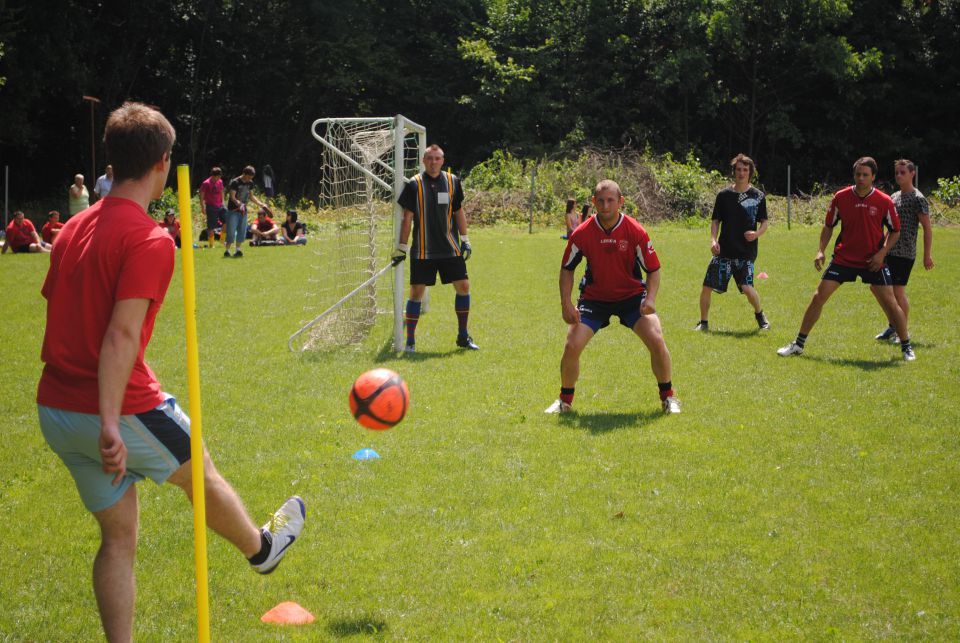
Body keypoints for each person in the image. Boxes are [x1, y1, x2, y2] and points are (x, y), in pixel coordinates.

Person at [35, 102, 305, 642]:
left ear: (112, 161)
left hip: (56, 410)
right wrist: (111, 421)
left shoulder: (71, 229)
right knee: (198, 470)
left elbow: (71, 314)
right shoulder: (150, 238)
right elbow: (119, 335)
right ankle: (262, 550)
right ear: (163, 164)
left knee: (118, 539)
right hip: (114, 410)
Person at [545, 179, 680, 414]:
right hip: (594, 300)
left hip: (631, 298)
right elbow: (567, 269)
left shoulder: (636, 231)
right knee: (571, 345)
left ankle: (668, 397)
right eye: (601, 201)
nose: (605, 206)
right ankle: (564, 402)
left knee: (656, 340)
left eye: (611, 200)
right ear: (594, 202)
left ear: (620, 202)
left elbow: (654, 269)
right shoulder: (582, 233)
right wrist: (566, 303)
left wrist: (650, 300)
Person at [778, 156, 915, 361]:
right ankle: (798, 344)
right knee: (818, 297)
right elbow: (828, 226)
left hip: (873, 261)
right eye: (858, 174)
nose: (861, 178)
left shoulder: (884, 201)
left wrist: (881, 254)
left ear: (873, 177)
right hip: (844, 259)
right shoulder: (840, 198)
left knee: (891, 302)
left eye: (865, 175)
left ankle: (906, 346)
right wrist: (820, 250)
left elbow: (895, 231)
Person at [393, 144, 478, 352]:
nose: (433, 162)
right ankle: (410, 342)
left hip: (450, 248)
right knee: (416, 293)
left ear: (443, 160)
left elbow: (458, 211)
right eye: (429, 158)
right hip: (423, 251)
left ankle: (463, 336)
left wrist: (465, 238)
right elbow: (407, 219)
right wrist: (402, 248)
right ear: (423, 161)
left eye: (437, 158)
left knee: (464, 287)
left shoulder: (453, 181)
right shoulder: (414, 184)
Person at [694, 153, 770, 331]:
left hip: (746, 251)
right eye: (738, 169)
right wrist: (713, 240)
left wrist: (757, 233)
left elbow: (764, 222)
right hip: (724, 251)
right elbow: (715, 221)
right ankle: (703, 323)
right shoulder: (724, 195)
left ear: (750, 172)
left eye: (745, 169)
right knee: (707, 286)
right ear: (734, 171)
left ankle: (761, 317)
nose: (741, 173)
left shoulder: (758, 196)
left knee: (747, 287)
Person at [874, 159, 934, 343]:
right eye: (897, 173)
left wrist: (927, 255)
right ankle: (893, 326)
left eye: (903, 172)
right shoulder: (893, 197)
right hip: (889, 251)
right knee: (877, 287)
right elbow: (890, 226)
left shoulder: (918, 198)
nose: (899, 175)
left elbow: (927, 228)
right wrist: (881, 247)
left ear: (912, 174)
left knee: (898, 293)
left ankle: (903, 332)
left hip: (905, 253)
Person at [225, 165, 265, 258]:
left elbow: (251, 196)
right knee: (231, 231)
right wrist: (239, 204)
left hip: (243, 211)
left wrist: (260, 204)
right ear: (244, 174)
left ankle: (238, 250)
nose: (249, 179)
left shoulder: (250, 183)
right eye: (248, 177)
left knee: (242, 231)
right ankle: (227, 250)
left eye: (251, 178)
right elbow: (232, 197)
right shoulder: (235, 182)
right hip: (233, 210)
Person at [199, 166, 226, 249]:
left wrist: (223, 203)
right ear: (214, 176)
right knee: (211, 227)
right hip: (211, 207)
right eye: (218, 176)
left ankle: (222, 240)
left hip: (220, 206)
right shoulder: (206, 183)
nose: (219, 178)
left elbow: (222, 192)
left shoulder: (220, 182)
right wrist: (203, 207)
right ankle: (211, 244)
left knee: (227, 221)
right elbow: (201, 196)